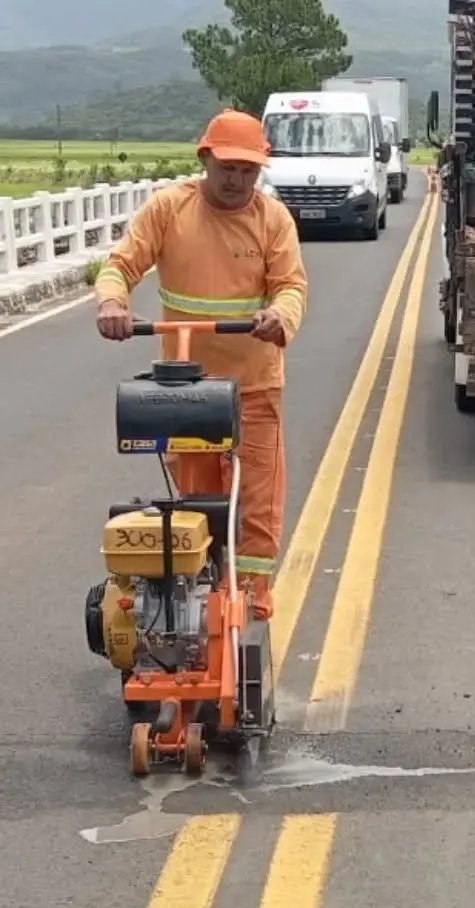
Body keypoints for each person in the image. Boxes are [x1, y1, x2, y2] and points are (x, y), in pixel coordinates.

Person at [95, 108, 308, 620]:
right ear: (205, 159)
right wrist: (112, 303)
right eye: (228, 168)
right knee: (195, 500)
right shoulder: (170, 209)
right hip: (186, 390)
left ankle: (253, 595)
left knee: (256, 496)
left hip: (254, 385)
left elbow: (290, 285)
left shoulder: (272, 219)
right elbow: (121, 264)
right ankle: (194, 596)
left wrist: (279, 316)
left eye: (249, 171)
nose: (237, 181)